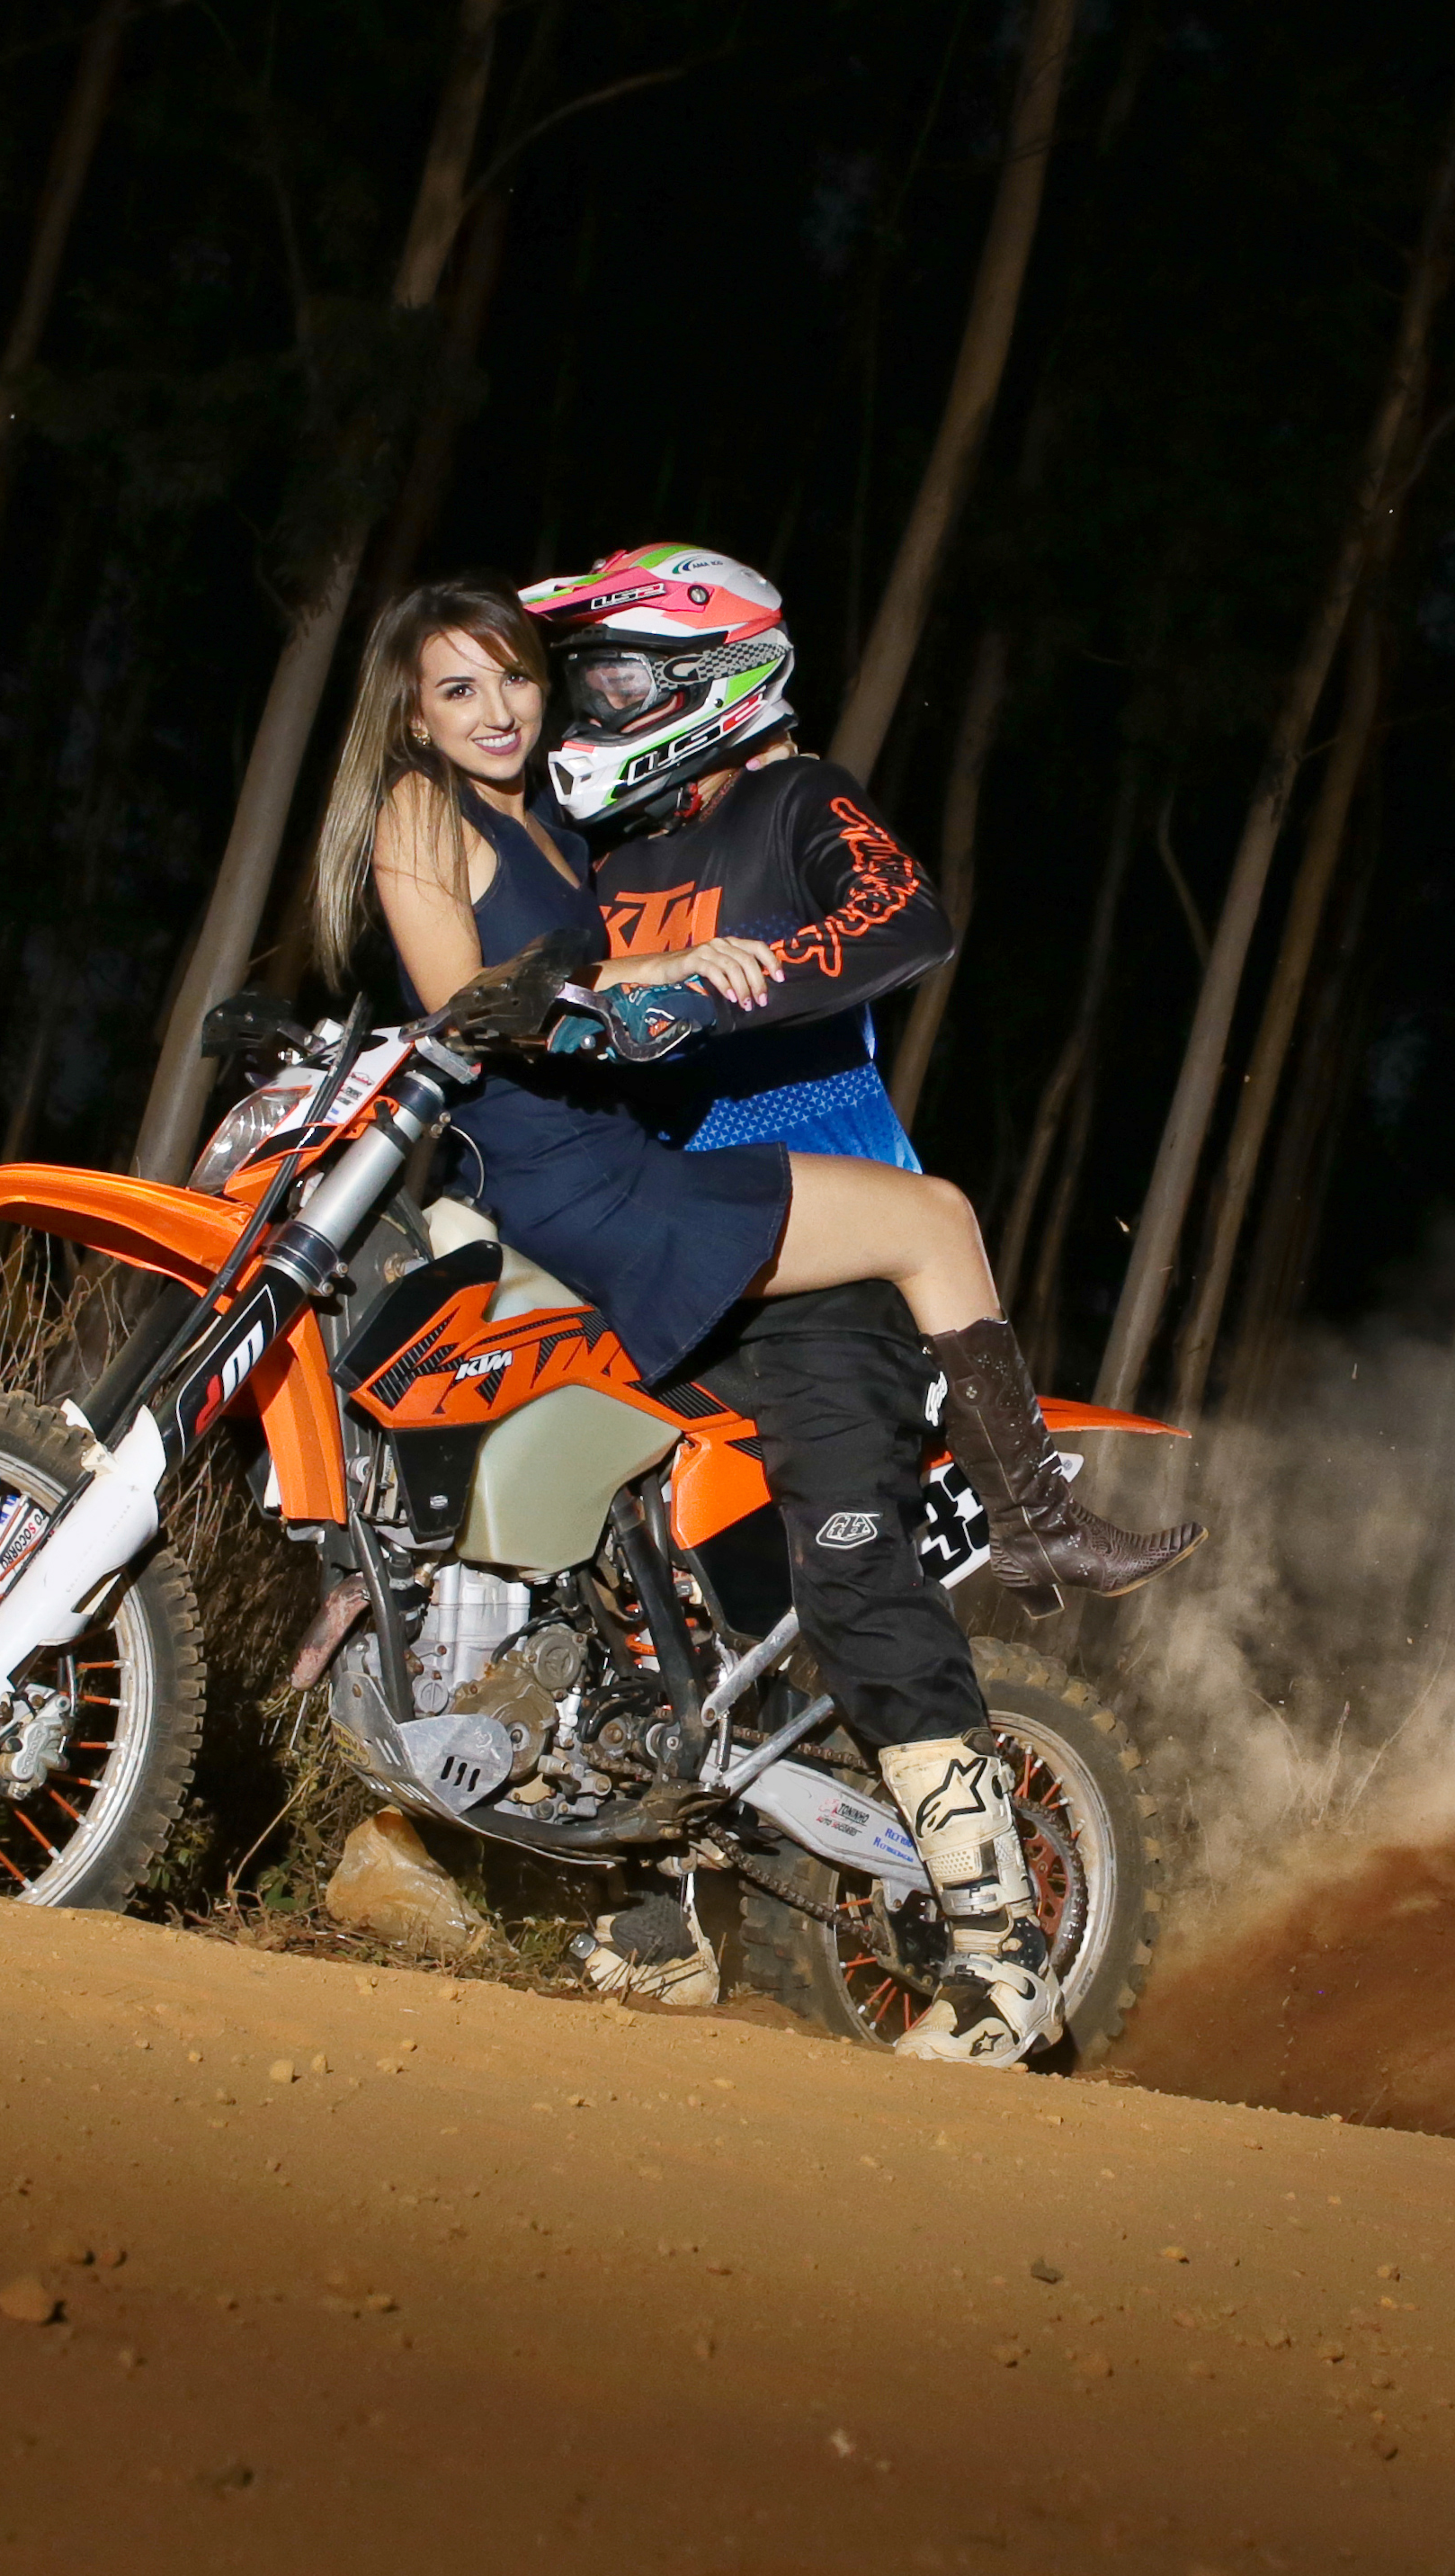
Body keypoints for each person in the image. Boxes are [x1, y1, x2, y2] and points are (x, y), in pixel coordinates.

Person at [305, 571, 1177, 2066]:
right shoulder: (585, 845)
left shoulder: (794, 807)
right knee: (620, 1585)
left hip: (816, 1265)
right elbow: (513, 995)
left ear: (712, 675)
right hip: (646, 1220)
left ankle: (1000, 1956)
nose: (577, 707)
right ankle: (651, 1924)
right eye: (578, 682)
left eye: (618, 680)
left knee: (849, 1579)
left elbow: (903, 919)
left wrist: (710, 994)